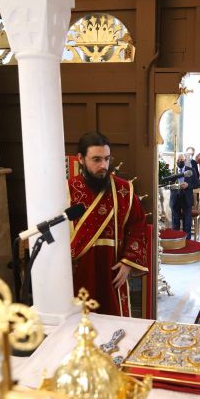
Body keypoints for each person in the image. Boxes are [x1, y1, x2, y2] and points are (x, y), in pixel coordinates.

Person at [69, 131, 148, 317]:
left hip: (111, 269)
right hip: (78, 271)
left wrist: (128, 261)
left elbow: (138, 225)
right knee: (79, 326)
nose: (103, 165)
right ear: (81, 158)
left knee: (113, 323)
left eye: (106, 158)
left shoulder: (123, 189)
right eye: (96, 159)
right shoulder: (68, 189)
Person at [169, 152, 200, 240]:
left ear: (185, 160)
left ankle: (187, 242)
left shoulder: (191, 170)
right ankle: (175, 241)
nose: (180, 162)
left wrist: (188, 185)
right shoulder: (172, 171)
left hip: (186, 199)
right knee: (175, 222)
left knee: (187, 223)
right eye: (178, 160)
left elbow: (197, 184)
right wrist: (174, 185)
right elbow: (168, 185)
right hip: (175, 199)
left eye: (181, 160)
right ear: (176, 162)